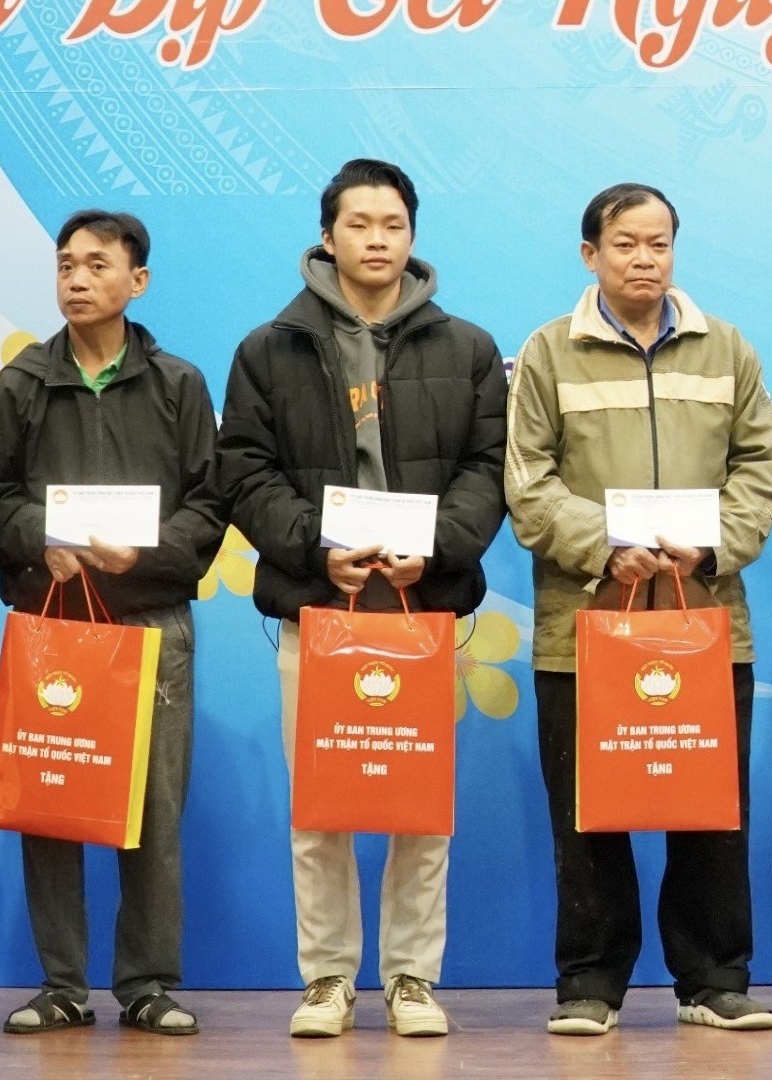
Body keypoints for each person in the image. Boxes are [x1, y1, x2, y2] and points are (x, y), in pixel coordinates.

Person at [217, 159, 507, 1038]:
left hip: (422, 610)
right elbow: (242, 470)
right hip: (321, 602)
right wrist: (315, 546)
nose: (377, 239)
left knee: (421, 807)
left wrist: (437, 549)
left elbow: (488, 471)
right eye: (359, 224)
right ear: (327, 235)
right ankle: (328, 979)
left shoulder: (467, 347)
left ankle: (413, 978)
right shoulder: (272, 347)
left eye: (392, 224)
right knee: (323, 803)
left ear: (412, 236)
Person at [505, 182, 772, 1036]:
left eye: (659, 243)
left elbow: (760, 470)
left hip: (704, 621)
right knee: (588, 810)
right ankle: (590, 981)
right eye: (625, 244)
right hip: (586, 628)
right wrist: (605, 544)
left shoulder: (725, 349)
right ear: (589, 254)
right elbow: (528, 484)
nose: (644, 259)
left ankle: (712, 977)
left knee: (710, 805)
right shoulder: (548, 354)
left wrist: (710, 543)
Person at [0, 211, 225, 1036]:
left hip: (151, 621)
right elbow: (0, 498)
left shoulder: (178, 383)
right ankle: (61, 983)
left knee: (153, 811)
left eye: (98, 265)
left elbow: (211, 504)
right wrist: (39, 538)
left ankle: (147, 982)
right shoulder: (21, 382)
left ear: (139, 281)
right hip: (50, 621)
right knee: (51, 802)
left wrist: (147, 556)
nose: (77, 279)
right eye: (66, 265)